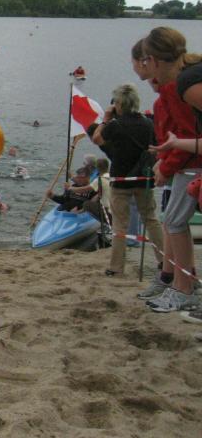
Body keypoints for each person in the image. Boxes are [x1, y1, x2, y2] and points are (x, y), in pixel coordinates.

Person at [137, 27, 202, 312]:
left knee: (174, 222)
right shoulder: (181, 82)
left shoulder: (185, 84)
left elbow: (188, 132)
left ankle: (183, 287)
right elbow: (189, 135)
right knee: (172, 221)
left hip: (191, 167)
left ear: (151, 60)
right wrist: (172, 149)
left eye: (144, 62)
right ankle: (180, 284)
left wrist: (168, 163)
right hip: (189, 163)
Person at [88, 84, 164, 278]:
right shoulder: (147, 123)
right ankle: (164, 260)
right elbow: (156, 146)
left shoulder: (115, 125)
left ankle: (116, 267)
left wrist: (106, 119)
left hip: (121, 178)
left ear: (119, 104)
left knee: (120, 224)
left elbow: (96, 138)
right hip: (143, 177)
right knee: (151, 219)